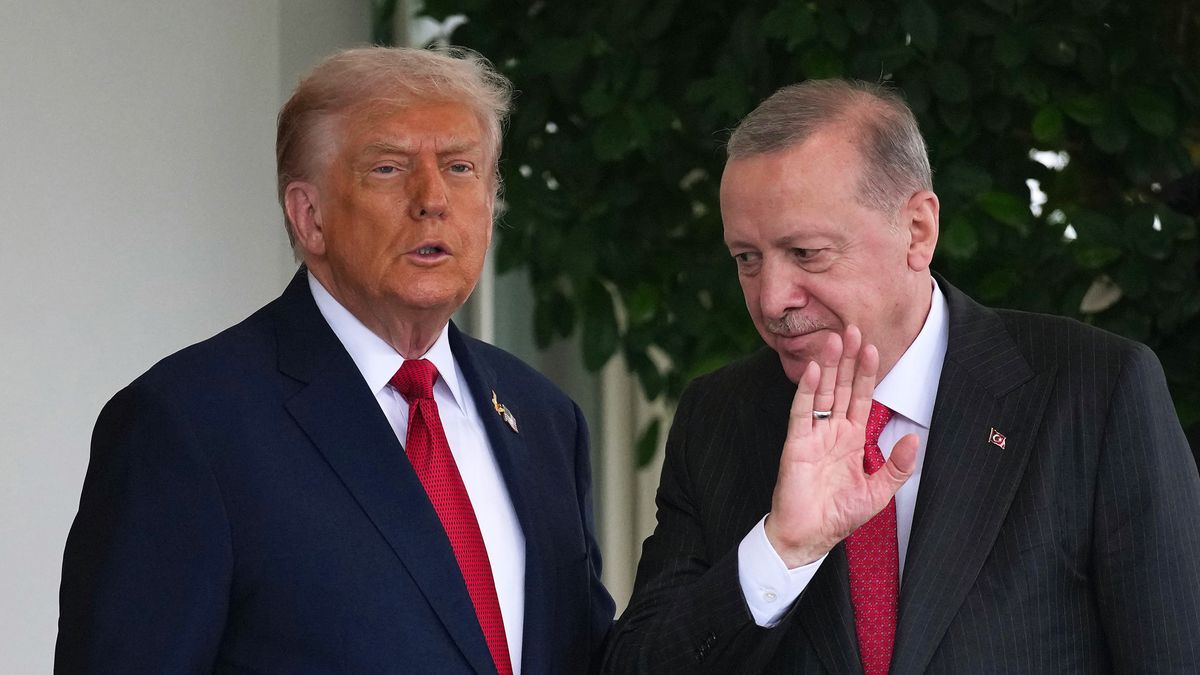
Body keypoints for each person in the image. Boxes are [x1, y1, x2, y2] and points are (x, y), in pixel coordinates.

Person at [603, 79, 1200, 673]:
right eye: (747, 259)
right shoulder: (720, 416)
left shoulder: (1094, 390)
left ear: (918, 230)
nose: (772, 298)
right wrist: (781, 552)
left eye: (807, 253)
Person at [56, 46, 613, 674]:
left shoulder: (543, 417)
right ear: (309, 216)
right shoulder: (187, 423)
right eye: (387, 168)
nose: (433, 199)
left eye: (460, 167)